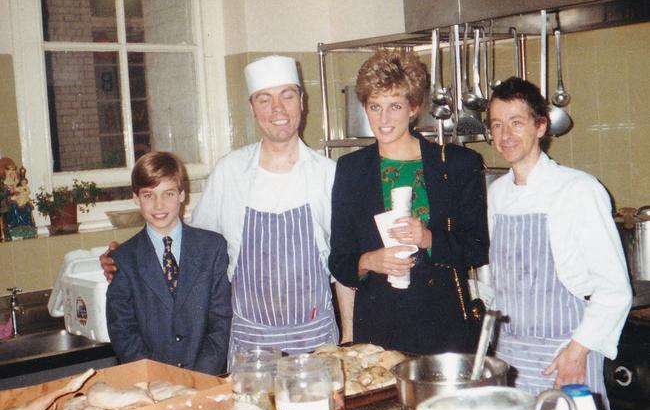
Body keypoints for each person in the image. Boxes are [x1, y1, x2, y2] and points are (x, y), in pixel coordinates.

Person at [102, 55, 344, 367]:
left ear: (302, 100)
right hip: (250, 346)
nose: (278, 110)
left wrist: (349, 336)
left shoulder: (329, 174)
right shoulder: (230, 172)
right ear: (252, 108)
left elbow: (348, 266)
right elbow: (191, 246)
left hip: (316, 342)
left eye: (287, 95)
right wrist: (121, 259)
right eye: (264, 99)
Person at [485, 76, 632, 410]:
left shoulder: (578, 190)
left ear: (541, 126)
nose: (505, 135)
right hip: (509, 358)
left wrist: (577, 352)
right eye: (497, 125)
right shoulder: (498, 194)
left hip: (563, 356)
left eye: (516, 123)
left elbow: (614, 290)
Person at [329, 49, 489, 355]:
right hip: (378, 327)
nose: (383, 119)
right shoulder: (351, 170)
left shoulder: (456, 164)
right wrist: (369, 261)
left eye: (395, 106)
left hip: (443, 324)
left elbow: (478, 247)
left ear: (413, 107)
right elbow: (339, 259)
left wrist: (429, 238)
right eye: (375, 106)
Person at [105, 152, 232, 375]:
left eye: (168, 193)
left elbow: (221, 322)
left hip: (206, 376)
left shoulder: (212, 248)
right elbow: (123, 331)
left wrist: (198, 377)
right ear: (136, 199)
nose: (159, 205)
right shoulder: (122, 259)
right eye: (148, 195)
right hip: (152, 383)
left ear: (183, 195)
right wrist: (161, 379)